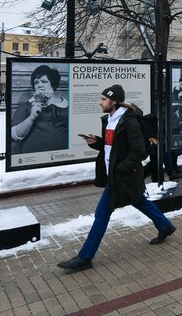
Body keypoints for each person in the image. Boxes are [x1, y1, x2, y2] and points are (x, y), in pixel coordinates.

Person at [57, 85, 175, 273]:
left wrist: (120, 169)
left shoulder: (129, 122)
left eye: (103, 99)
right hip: (119, 175)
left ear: (114, 101)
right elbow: (112, 148)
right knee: (139, 200)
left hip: (122, 176)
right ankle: (165, 226)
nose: (100, 102)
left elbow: (139, 151)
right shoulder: (110, 120)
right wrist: (97, 142)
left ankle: (85, 258)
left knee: (101, 214)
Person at [10, 65, 69, 155]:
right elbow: (14, 135)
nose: (40, 85)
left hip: (62, 156)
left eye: (44, 82)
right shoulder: (26, 106)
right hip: (33, 156)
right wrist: (31, 117)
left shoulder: (67, 105)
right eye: (36, 82)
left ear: (53, 84)